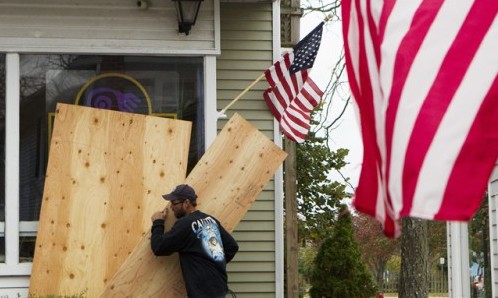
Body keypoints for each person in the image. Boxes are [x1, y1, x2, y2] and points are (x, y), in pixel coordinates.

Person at [150, 184, 239, 298]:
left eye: (174, 203)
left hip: (203, 293)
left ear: (186, 203)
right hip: (219, 288)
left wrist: (158, 223)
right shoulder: (210, 220)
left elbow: (159, 247)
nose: (171, 207)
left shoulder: (185, 225)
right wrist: (214, 264)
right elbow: (232, 247)